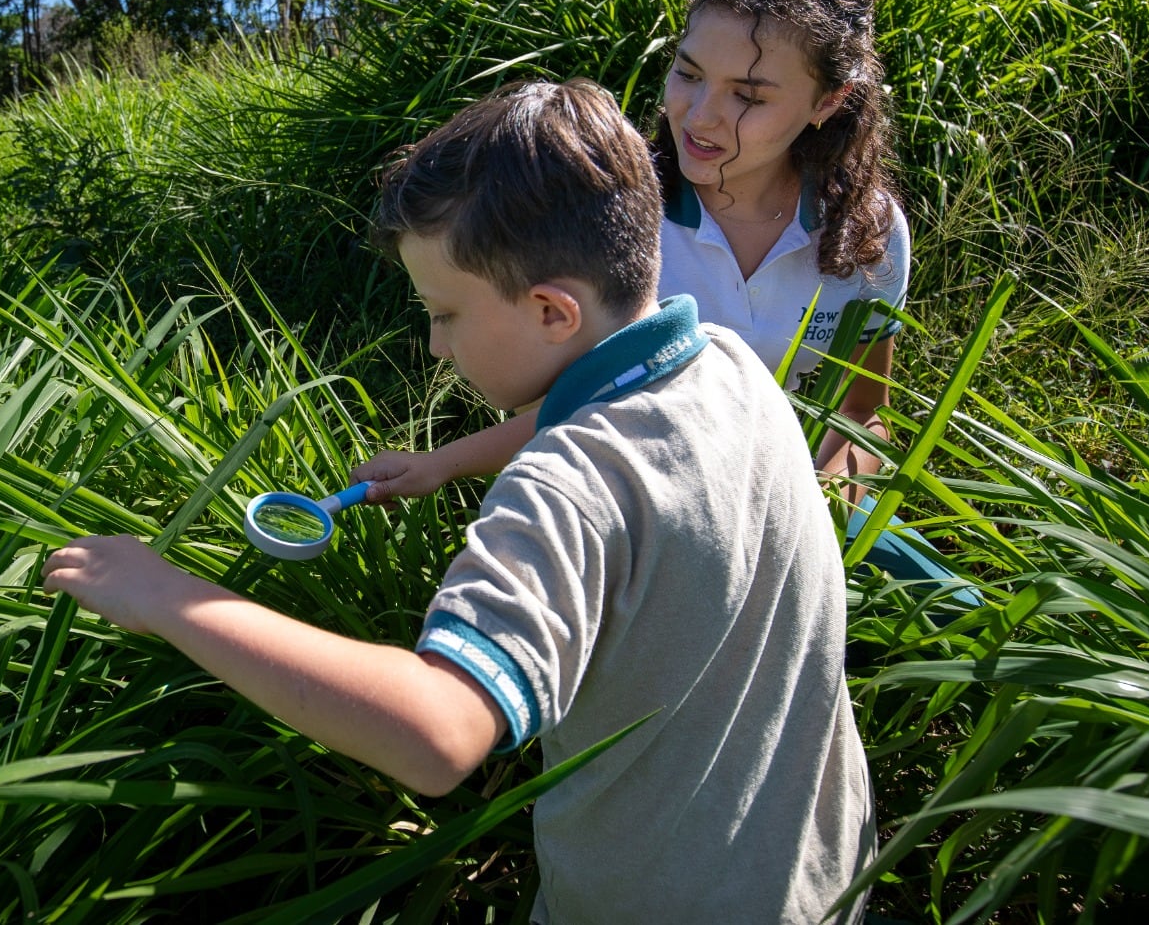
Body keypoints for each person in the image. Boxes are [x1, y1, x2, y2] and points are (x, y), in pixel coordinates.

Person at [43, 78, 875, 922]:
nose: (437, 346)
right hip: (827, 872)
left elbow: (438, 734)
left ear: (552, 311)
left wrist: (170, 598)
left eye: (444, 313)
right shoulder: (729, 363)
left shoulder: (564, 489)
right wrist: (442, 464)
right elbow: (609, 411)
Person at [353, 0, 978, 609]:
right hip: (649, 499)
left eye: (749, 95)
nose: (700, 117)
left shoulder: (868, 231)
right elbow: (590, 403)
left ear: (829, 101)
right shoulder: (621, 213)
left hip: (803, 503)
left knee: (974, 622)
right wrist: (439, 466)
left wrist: (816, 514)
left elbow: (863, 412)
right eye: (688, 73)